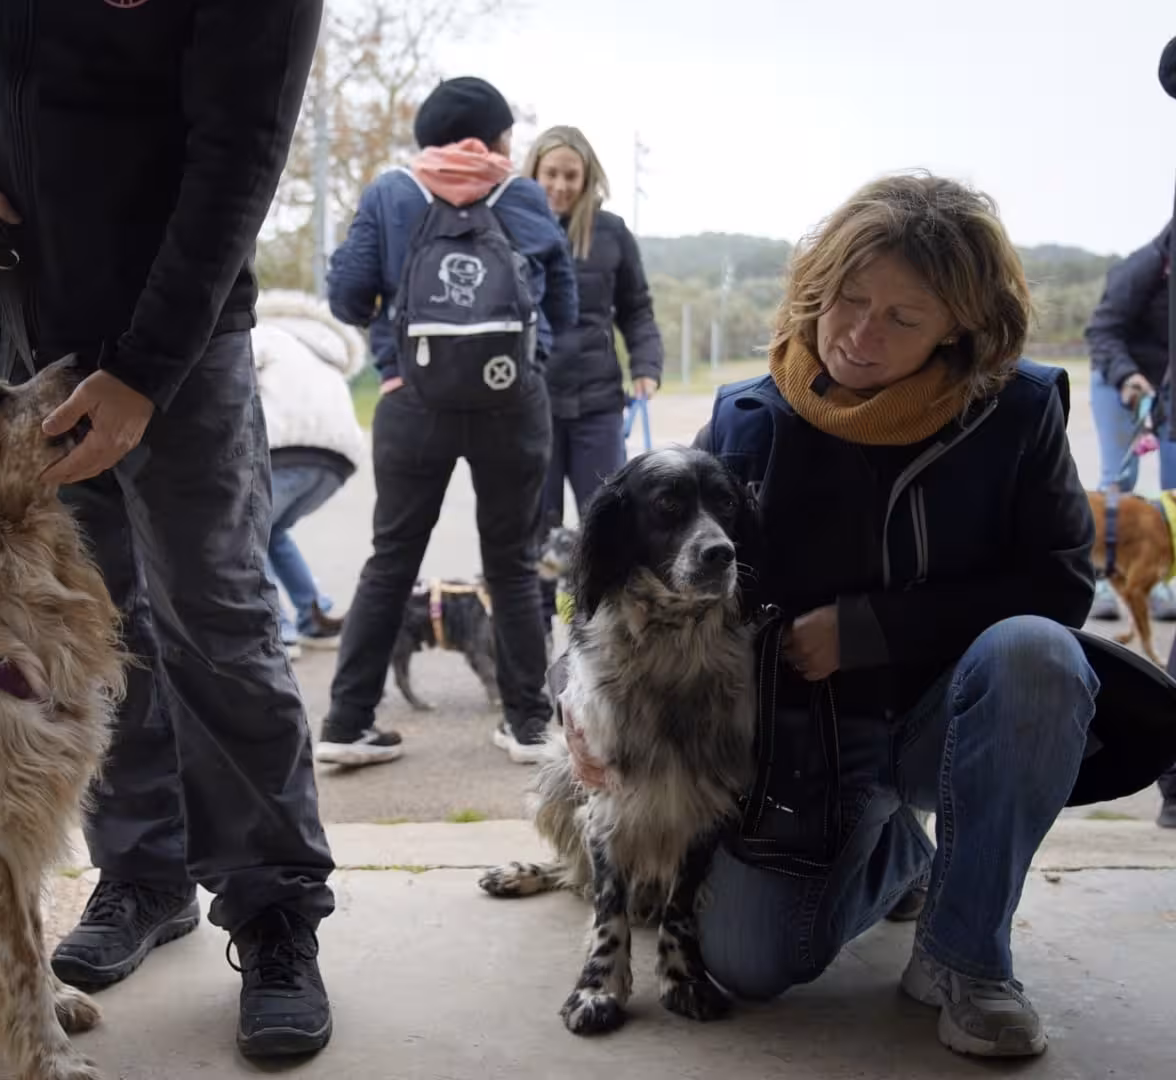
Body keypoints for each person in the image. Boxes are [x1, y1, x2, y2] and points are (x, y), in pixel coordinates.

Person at [0, 0, 337, 1060]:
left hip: (179, 332)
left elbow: (241, 148)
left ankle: (273, 914)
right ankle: (142, 874)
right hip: (18, 316)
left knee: (214, 623)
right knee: (74, 637)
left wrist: (146, 372)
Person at [574, 174, 1098, 1057]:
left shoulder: (1016, 412)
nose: (861, 334)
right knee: (745, 961)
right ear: (815, 291)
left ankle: (967, 958)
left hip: (956, 723)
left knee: (1038, 654)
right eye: (848, 300)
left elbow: (1060, 584)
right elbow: (626, 561)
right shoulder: (749, 418)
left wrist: (873, 630)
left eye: (905, 317)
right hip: (806, 747)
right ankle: (904, 855)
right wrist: (574, 687)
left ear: (960, 328)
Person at [319, 76, 578, 767]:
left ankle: (346, 725)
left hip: (412, 407)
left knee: (390, 564)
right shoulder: (520, 195)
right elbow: (566, 309)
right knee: (515, 568)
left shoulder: (390, 193)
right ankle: (528, 726)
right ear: (495, 137)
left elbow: (346, 296)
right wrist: (528, 363)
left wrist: (396, 363)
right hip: (511, 405)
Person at [523, 126, 664, 631]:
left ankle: (599, 631)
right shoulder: (511, 224)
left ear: (586, 179)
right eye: (551, 173)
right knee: (533, 529)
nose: (560, 185)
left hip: (598, 405)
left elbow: (637, 309)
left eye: (571, 175)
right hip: (530, 403)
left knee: (607, 523)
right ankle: (533, 640)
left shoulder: (611, 232)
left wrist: (646, 366)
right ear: (534, 172)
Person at [251, 290, 367, 657]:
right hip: (338, 458)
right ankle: (315, 616)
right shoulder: (320, 347)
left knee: (245, 533)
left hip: (284, 446)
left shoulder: (261, 333)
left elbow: (233, 378)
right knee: (274, 532)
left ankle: (276, 630)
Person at [1084, 221, 1175, 621]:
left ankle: (1157, 575)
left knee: (1173, 486)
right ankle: (1102, 573)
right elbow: (1101, 329)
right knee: (1118, 478)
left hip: (1167, 387)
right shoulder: (1144, 266)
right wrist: (1127, 377)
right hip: (1119, 380)